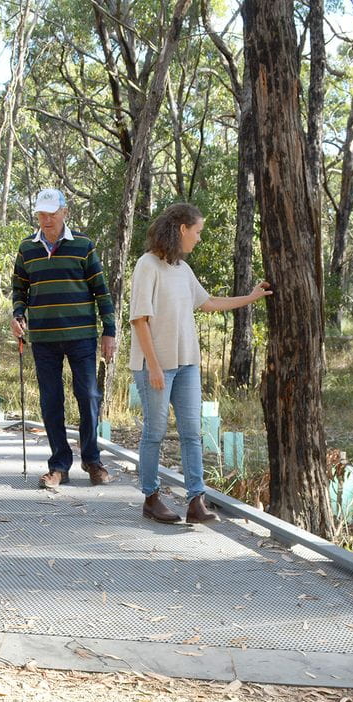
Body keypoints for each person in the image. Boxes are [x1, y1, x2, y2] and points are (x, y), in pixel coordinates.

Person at [130, 202, 271, 524]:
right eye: (198, 231)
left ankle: (196, 501)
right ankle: (151, 498)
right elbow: (139, 320)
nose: (199, 238)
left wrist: (250, 297)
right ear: (182, 229)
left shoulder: (182, 269)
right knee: (155, 432)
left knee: (192, 433)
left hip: (187, 364)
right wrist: (153, 366)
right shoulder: (147, 265)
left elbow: (207, 304)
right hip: (156, 365)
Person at [11, 188, 116, 489]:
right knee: (51, 401)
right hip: (43, 339)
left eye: (51, 213)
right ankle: (59, 465)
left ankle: (92, 460)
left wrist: (109, 331)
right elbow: (20, 290)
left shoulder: (83, 245)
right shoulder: (26, 249)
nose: (46, 219)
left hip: (81, 336)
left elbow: (101, 291)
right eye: (41, 214)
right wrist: (18, 315)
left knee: (89, 398)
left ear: (64, 212)